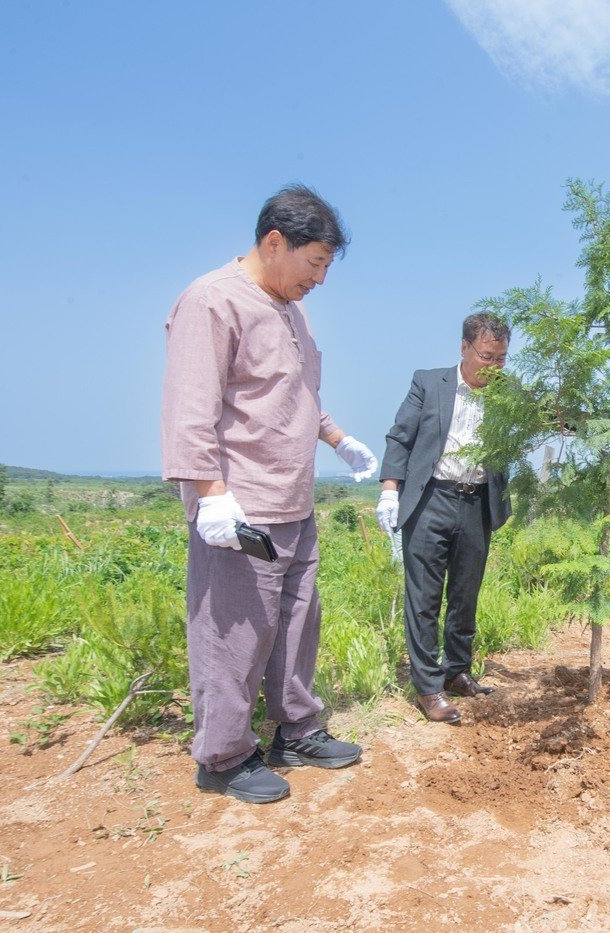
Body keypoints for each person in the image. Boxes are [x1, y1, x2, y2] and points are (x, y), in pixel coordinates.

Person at [162, 184, 377, 804]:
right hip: (241, 502)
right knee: (232, 631)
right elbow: (190, 408)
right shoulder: (212, 302)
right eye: (314, 264)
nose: (319, 280)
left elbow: (292, 391)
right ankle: (225, 756)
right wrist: (211, 494)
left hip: (294, 496)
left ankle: (297, 729)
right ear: (274, 243)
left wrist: (335, 437)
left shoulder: (290, 309)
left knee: (295, 623)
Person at [377, 313, 513, 725]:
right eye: (487, 356)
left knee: (465, 595)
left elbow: (546, 419)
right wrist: (389, 491)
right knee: (425, 598)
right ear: (464, 347)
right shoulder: (428, 382)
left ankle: (456, 671)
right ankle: (428, 687)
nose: (494, 367)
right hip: (431, 499)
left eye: (502, 358)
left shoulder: (509, 393)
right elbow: (400, 436)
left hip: (477, 504)